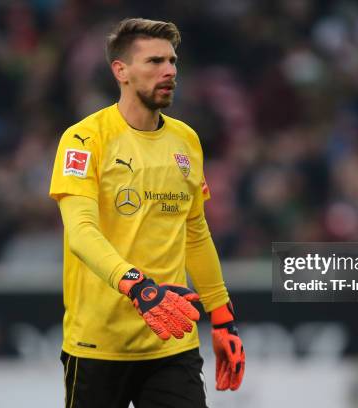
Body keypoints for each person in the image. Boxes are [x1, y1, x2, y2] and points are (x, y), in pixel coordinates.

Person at [48, 18, 245, 408]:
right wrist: (137, 285)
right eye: (154, 61)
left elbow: (195, 232)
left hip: (171, 344)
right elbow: (81, 230)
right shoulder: (85, 139)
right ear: (120, 71)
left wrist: (221, 315)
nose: (169, 71)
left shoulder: (186, 140)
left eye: (172, 61)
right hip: (97, 346)